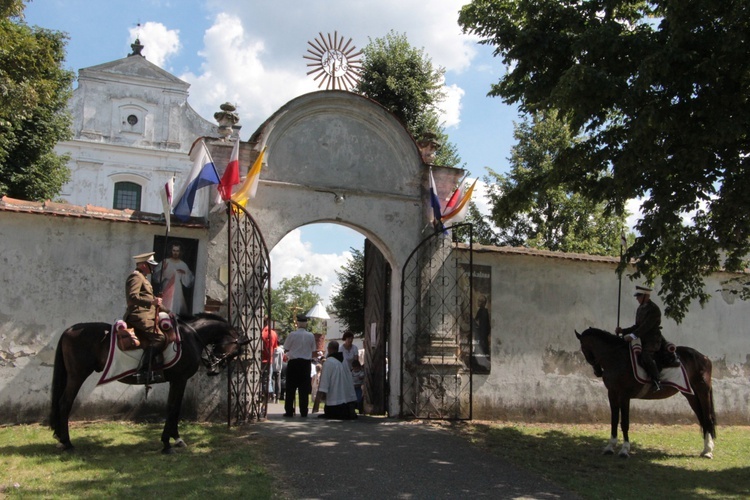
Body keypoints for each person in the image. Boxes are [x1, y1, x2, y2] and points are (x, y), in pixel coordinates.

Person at [616, 285, 680, 392]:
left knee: (645, 355)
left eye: (639, 296)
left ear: (646, 296)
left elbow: (646, 326)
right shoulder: (640, 308)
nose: (637, 298)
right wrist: (623, 331)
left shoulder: (654, 309)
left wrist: (632, 336)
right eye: (637, 296)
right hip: (641, 338)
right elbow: (637, 326)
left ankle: (657, 381)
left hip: (653, 340)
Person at [124, 251, 165, 382]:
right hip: (139, 316)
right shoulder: (136, 277)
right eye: (150, 265)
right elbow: (132, 297)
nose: (153, 268)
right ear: (142, 265)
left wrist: (170, 313)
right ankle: (143, 370)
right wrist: (151, 302)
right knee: (159, 337)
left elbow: (152, 300)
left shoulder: (143, 278)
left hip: (149, 314)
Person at [283, 314, 317, 417]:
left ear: (297, 323)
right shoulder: (311, 335)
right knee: (304, 389)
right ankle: (304, 410)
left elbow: (286, 348)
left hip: (294, 363)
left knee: (290, 388)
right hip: (305, 364)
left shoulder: (292, 334)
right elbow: (314, 351)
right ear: (306, 324)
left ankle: (289, 410)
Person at [317, 340, 358, 420]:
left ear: (329, 349)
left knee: (332, 410)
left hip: (334, 401)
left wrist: (322, 393)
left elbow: (325, 380)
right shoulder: (344, 361)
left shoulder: (328, 362)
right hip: (346, 401)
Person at [155, 242, 194, 315]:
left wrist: (184, 273)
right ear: (171, 251)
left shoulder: (183, 264)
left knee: (176, 307)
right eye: (174, 250)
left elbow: (189, 280)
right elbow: (156, 277)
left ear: (180, 252)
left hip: (177, 289)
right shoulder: (165, 261)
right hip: (166, 287)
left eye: (177, 251)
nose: (175, 253)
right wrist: (162, 270)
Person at [262, 317, 278, 399]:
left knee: (261, 379)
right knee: (268, 378)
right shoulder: (273, 333)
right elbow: (275, 347)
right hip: (269, 360)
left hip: (261, 359)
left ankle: (265, 395)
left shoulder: (261, 332)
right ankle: (270, 394)